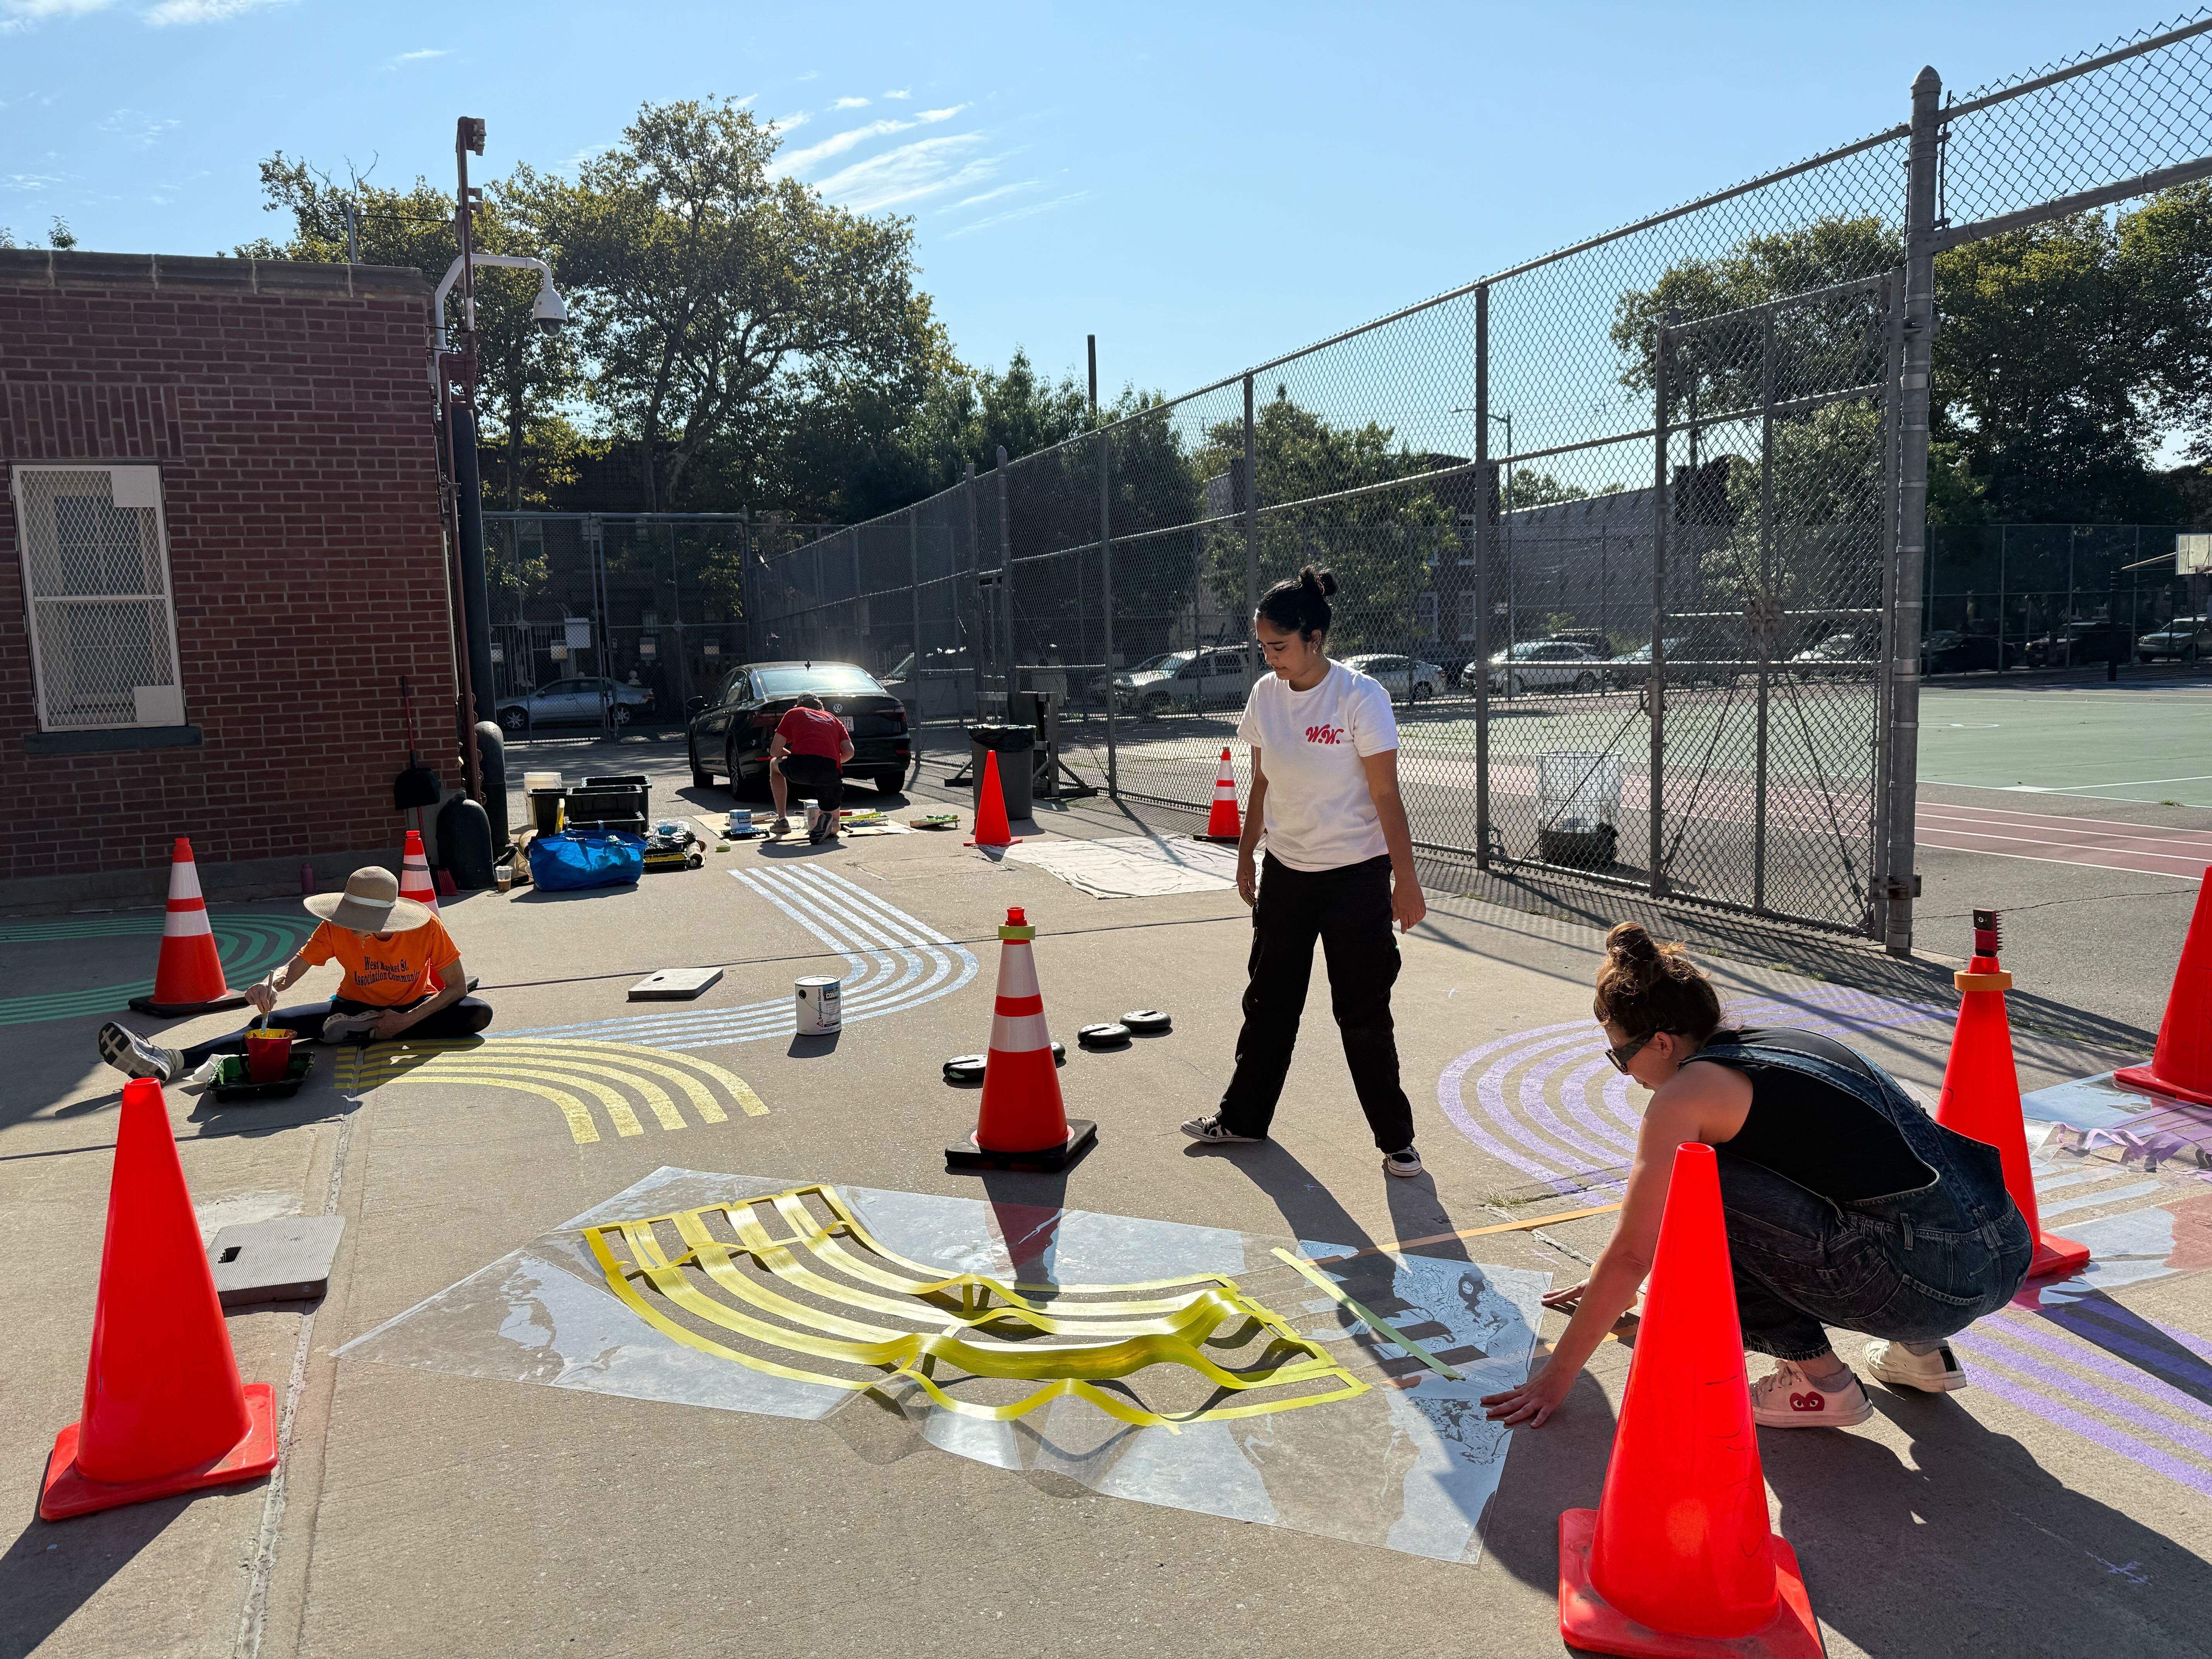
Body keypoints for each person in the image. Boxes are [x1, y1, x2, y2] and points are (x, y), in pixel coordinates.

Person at [1480, 922, 2032, 1431]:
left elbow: (1634, 1254)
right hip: (2000, 1253)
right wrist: (1615, 1282)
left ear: (1661, 1043)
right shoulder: (1787, 1045)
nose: (1626, 1073)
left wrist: (1553, 1381)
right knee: (1851, 1186)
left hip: (1927, 1287)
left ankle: (1819, 1383)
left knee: (1697, 1192)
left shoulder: (1685, 1097)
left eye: (1620, 1056)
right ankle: (1922, 1353)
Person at [1180, 566, 1429, 1177]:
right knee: (1269, 1001)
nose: (1272, 658)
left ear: (1315, 638)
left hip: (1355, 877)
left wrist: (1407, 879)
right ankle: (1242, 1120)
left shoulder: (1360, 697)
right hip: (1288, 873)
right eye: (1264, 647)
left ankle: (1396, 1139)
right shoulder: (1266, 696)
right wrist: (1246, 852)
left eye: (1281, 646)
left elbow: (1386, 797)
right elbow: (1262, 781)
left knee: (1362, 1012)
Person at [97, 865, 492, 1084]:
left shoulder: (426, 928)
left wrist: (405, 1020)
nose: (351, 924)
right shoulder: (336, 925)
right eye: (349, 915)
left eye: (362, 919)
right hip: (351, 1005)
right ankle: (169, 1059)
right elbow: (294, 967)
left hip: (413, 1004)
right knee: (264, 1024)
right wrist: (271, 984)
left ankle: (368, 1031)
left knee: (477, 1013)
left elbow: (455, 987)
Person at [768, 692, 855, 845]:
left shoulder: (794, 713)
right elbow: (850, 752)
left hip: (801, 766)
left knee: (774, 764)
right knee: (836, 824)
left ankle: (782, 820)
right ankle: (829, 824)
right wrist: (832, 763)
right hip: (829, 770)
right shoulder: (834, 719)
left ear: (799, 705)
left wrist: (793, 756)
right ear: (820, 706)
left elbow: (775, 751)